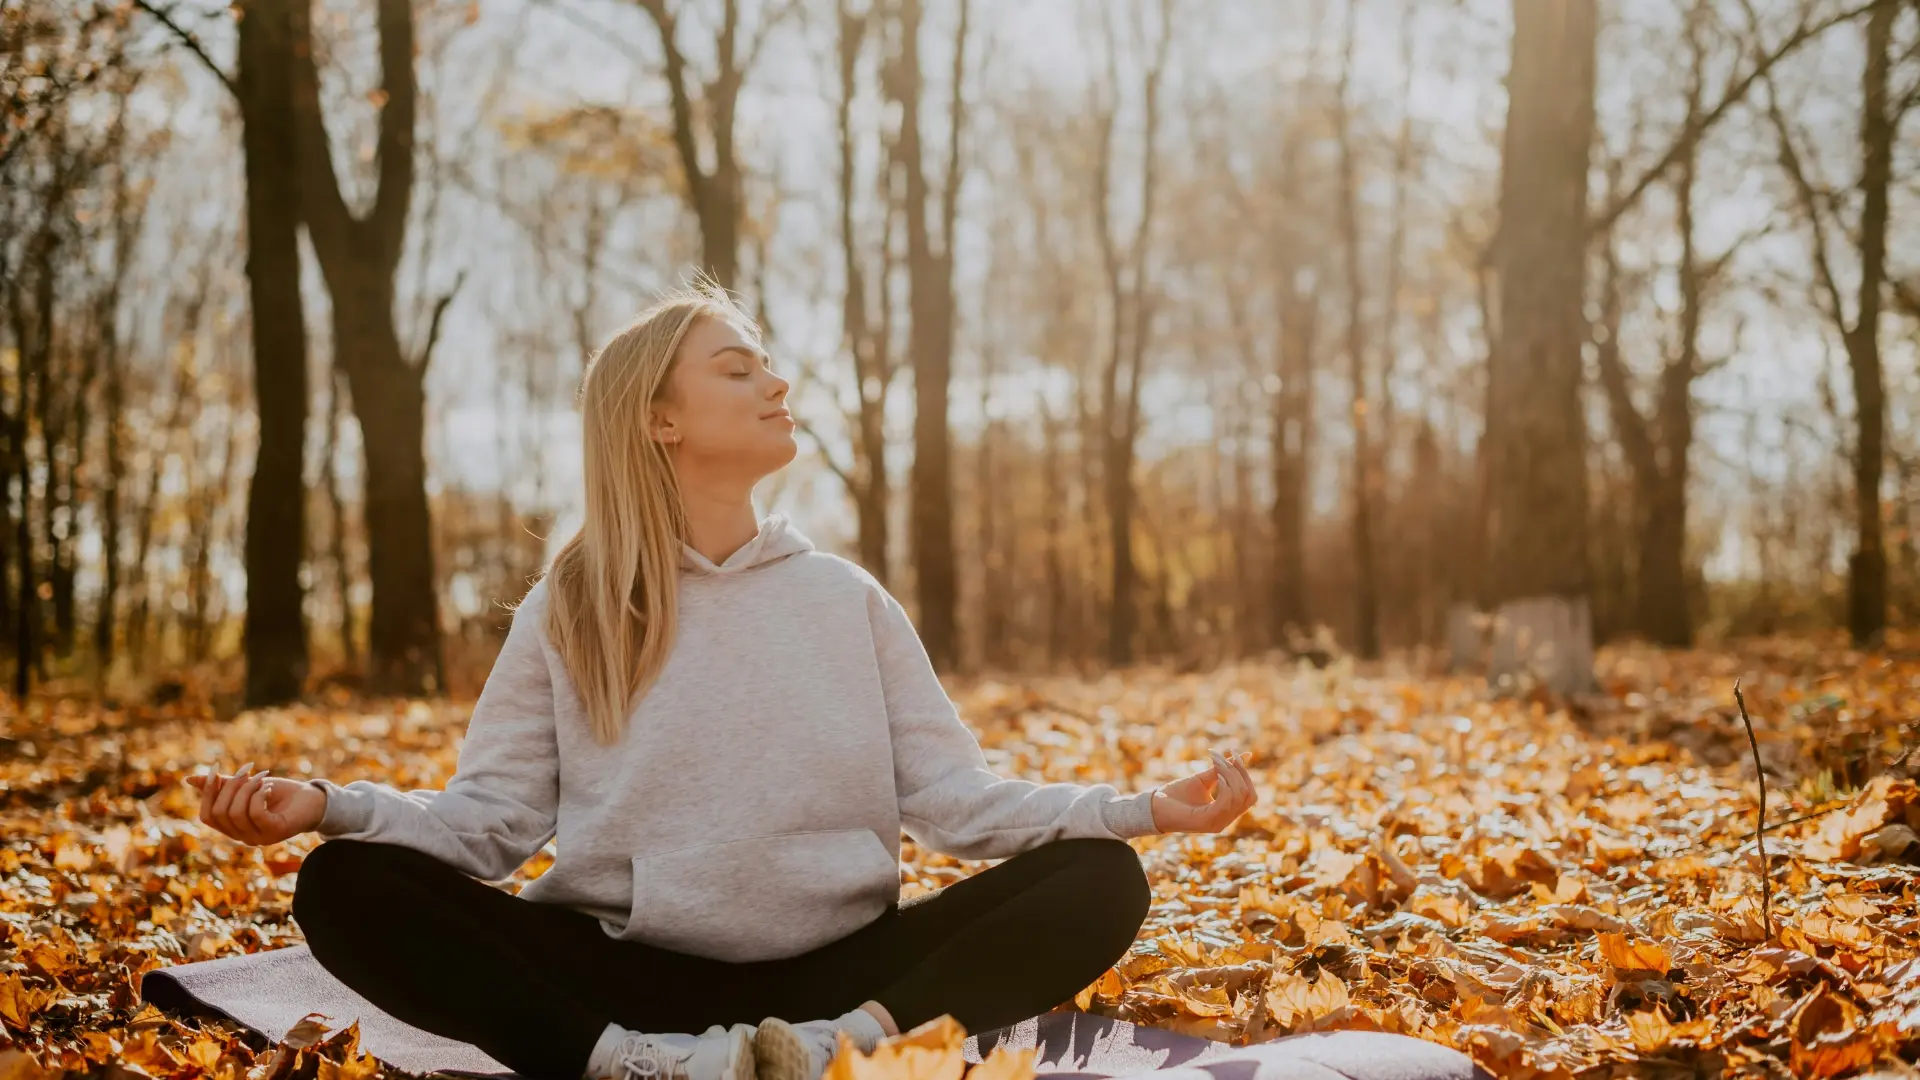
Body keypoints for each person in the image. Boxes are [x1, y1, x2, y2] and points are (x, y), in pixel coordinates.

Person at [186, 283, 1259, 1080]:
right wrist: (326, 809)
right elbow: (492, 824)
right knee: (342, 885)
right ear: (661, 420)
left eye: (767, 365)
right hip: (625, 977)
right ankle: (631, 1068)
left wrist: (1140, 809)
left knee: (1103, 878)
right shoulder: (574, 607)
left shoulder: (845, 599)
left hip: (839, 976)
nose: (776, 382)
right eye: (738, 368)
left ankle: (840, 1053)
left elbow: (956, 804)